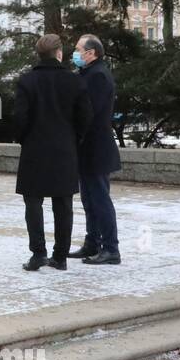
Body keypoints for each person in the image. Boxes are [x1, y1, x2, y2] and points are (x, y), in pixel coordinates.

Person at [13, 33, 92, 272]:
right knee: (63, 203)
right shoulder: (74, 81)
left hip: (34, 149)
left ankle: (38, 253)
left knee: (33, 203)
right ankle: (60, 256)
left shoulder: (26, 81)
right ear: (59, 53)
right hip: (64, 149)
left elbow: (19, 119)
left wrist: (24, 138)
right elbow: (85, 117)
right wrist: (74, 138)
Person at [71, 33, 122, 265]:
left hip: (96, 147)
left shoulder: (98, 75)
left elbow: (89, 112)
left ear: (90, 53)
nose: (75, 53)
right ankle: (92, 243)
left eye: (78, 49)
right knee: (89, 199)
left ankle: (111, 248)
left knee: (100, 199)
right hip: (87, 147)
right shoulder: (88, 73)